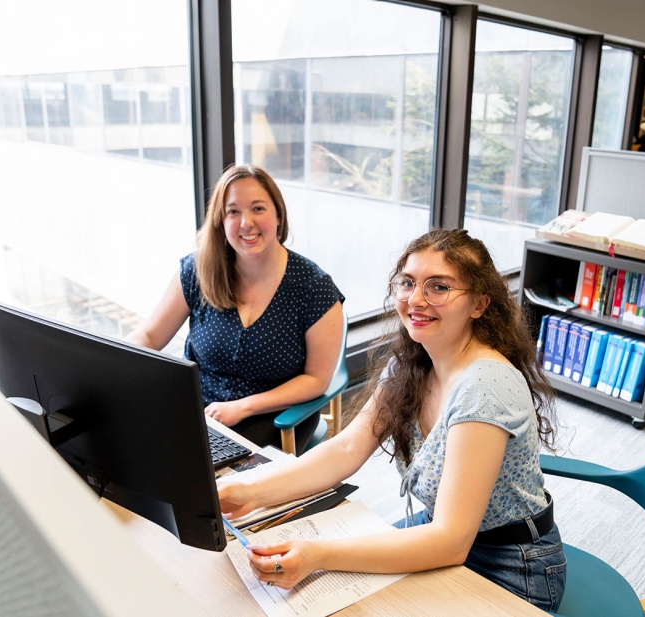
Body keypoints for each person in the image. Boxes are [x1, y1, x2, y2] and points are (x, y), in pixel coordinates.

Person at [218, 229, 566, 612]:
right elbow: (347, 448)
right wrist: (249, 492)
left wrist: (318, 555)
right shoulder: (413, 364)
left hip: (511, 564)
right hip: (436, 534)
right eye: (407, 283)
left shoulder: (484, 386)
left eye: (439, 287)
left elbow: (451, 541)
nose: (416, 300)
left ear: (479, 304)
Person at [126, 164, 345, 450]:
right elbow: (150, 337)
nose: (246, 223)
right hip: (200, 412)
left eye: (258, 208)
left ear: (278, 214)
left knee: (211, 480)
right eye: (233, 212)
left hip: (274, 417)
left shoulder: (314, 288)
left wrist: (244, 407)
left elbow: (316, 379)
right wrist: (113, 363)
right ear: (220, 220)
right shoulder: (198, 271)